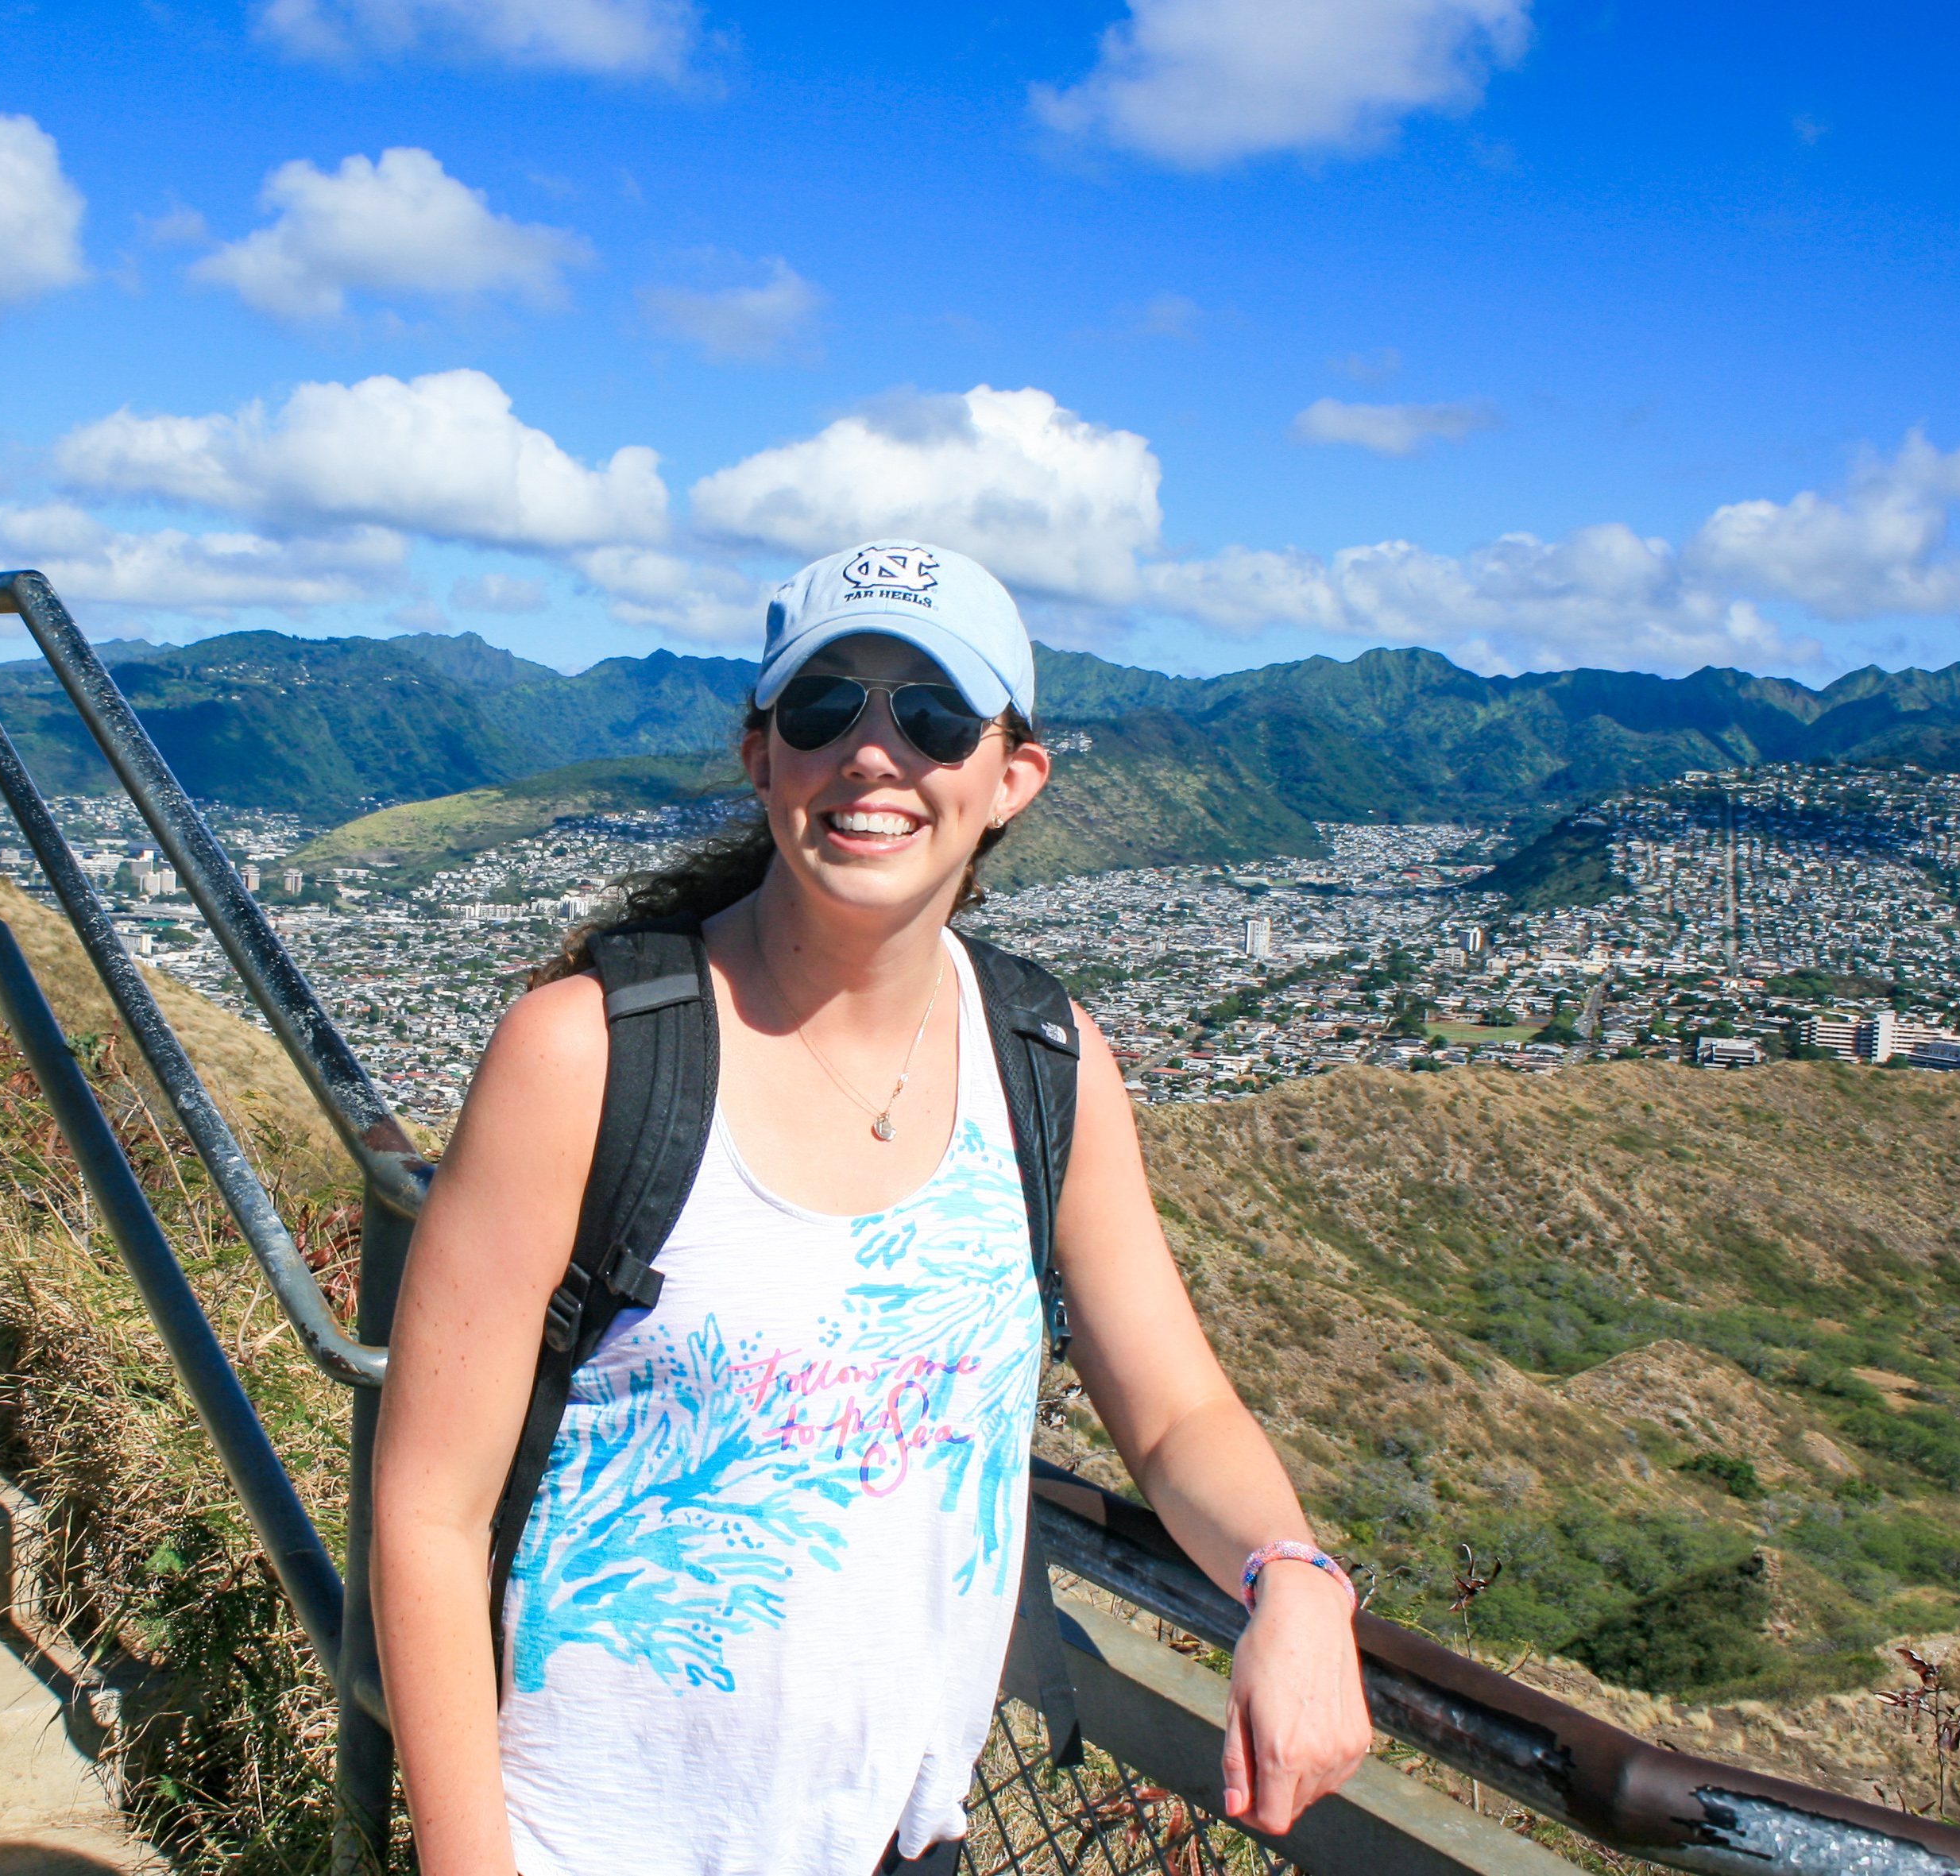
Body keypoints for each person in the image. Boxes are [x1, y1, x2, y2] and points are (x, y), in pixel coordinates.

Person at [373, 540, 1371, 1876]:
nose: (873, 753)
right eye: (825, 706)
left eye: (935, 715)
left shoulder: (1044, 1065)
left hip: (905, 1843)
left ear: (1013, 775)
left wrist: (1291, 1575)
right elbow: (427, 1511)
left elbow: (1178, 1408)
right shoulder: (587, 1056)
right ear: (761, 752)